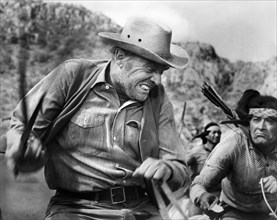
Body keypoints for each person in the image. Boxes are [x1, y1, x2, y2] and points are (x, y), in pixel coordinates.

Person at [5, 17, 191, 220]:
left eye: (161, 72)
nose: (157, 80)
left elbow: (180, 168)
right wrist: (22, 148)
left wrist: (167, 169)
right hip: (75, 209)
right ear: (120, 57)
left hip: (140, 209)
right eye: (149, 69)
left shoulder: (159, 99)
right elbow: (21, 126)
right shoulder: (73, 77)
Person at [190, 89, 277, 220]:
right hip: (233, 213)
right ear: (249, 123)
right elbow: (199, 184)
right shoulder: (233, 145)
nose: (261, 127)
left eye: (269, 121)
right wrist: (202, 196)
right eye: (256, 120)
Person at [186, 122, 222, 217]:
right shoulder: (196, 152)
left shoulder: (222, 152)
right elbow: (182, 165)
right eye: (214, 132)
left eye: (219, 133)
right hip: (199, 195)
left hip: (218, 197)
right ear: (206, 135)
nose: (217, 135)